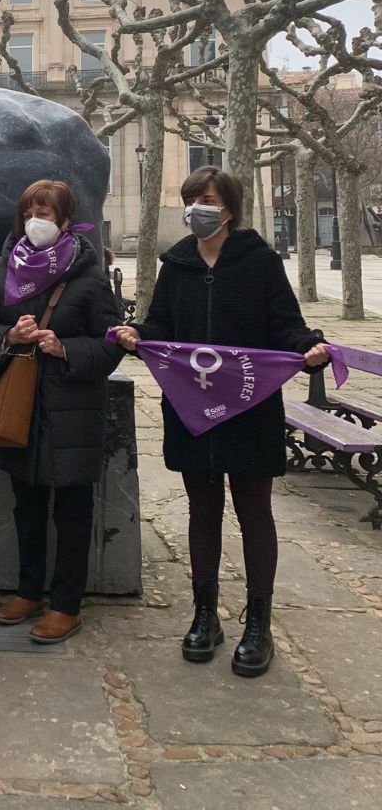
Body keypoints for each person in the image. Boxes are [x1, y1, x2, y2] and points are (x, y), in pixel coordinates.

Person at [112, 167, 330, 677]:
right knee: (202, 512)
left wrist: (308, 347)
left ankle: (259, 623)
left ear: (229, 205)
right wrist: (137, 333)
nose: (196, 208)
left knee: (255, 514)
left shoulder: (260, 262)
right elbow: (161, 324)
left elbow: (286, 324)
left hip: (250, 409)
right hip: (193, 411)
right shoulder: (177, 263)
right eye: (190, 199)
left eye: (206, 198)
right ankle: (204, 614)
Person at [0, 179, 123, 644]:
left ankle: (66, 604)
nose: (38, 219)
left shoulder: (90, 277)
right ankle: (29, 590)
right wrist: (7, 337)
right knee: (28, 507)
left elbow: (112, 343)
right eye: (31, 210)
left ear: (64, 220)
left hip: (71, 410)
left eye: (49, 212)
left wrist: (65, 348)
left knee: (73, 511)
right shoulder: (2, 269)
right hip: (19, 407)